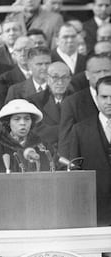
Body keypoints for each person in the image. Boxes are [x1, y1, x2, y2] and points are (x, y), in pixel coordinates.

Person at [69, 75, 111, 226]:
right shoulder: (80, 130)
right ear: (96, 97)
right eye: (104, 97)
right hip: (93, 209)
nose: (109, 102)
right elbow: (75, 172)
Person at [0, 99, 54, 173]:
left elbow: (60, 171)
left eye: (27, 119)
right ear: (8, 122)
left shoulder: (43, 146)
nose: (22, 123)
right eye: (17, 119)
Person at [58, 54, 111, 158]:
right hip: (90, 166)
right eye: (97, 72)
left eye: (106, 71)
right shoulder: (72, 103)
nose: (103, 75)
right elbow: (66, 142)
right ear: (87, 74)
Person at [28, 61, 72, 148]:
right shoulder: (34, 101)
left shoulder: (78, 100)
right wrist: (69, 130)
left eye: (64, 77)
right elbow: (38, 132)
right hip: (46, 151)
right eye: (55, 77)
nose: (60, 82)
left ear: (69, 80)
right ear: (47, 79)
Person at [0, 36, 34, 111]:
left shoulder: (45, 76)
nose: (23, 53)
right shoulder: (3, 80)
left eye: (26, 49)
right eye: (19, 50)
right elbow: (2, 109)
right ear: (14, 55)